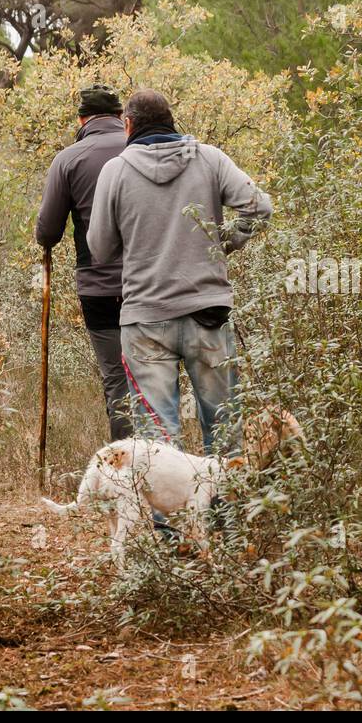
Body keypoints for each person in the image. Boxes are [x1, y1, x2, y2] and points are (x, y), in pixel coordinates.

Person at [87, 89, 271, 454]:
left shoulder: (115, 171)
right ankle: (222, 512)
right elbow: (260, 207)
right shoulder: (209, 158)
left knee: (158, 442)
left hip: (145, 321)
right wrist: (226, 242)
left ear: (128, 125)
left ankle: (167, 514)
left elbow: (100, 249)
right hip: (209, 313)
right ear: (171, 120)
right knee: (224, 431)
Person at [35, 84, 134, 442]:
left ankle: (127, 478)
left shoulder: (69, 158)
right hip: (154, 285)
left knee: (116, 382)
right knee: (156, 380)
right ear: (122, 117)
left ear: (81, 119)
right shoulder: (141, 150)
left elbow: (48, 233)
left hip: (100, 288)